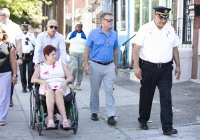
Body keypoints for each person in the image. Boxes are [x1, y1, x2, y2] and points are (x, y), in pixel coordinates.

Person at [132, 6, 181, 135]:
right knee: (147, 95)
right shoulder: (145, 29)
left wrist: (178, 66)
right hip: (148, 67)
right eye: (161, 17)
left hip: (165, 69)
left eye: (166, 18)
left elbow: (175, 48)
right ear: (155, 15)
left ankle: (167, 126)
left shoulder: (170, 30)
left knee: (166, 97)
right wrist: (136, 67)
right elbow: (136, 49)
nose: (163, 21)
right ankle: (143, 120)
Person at [84, 12, 118, 126]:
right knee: (95, 90)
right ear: (102, 21)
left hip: (109, 66)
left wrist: (115, 65)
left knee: (109, 90)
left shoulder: (114, 34)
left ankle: (111, 115)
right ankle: (94, 111)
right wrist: (86, 64)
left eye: (112, 20)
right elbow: (87, 48)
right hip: (95, 65)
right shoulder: (93, 33)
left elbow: (115, 49)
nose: (111, 22)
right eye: (109, 20)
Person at [31, 45, 73, 129]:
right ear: (46, 56)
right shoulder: (40, 66)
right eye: (52, 54)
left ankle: (65, 121)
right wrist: (42, 81)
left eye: (55, 54)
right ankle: (50, 121)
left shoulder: (61, 64)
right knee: (50, 92)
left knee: (58, 92)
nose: (55, 56)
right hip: (47, 87)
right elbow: (33, 79)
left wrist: (65, 81)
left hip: (61, 86)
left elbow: (70, 77)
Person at [0, 8, 23, 107]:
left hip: (11, 53)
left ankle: (9, 97)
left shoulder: (15, 27)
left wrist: (20, 57)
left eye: (0, 15)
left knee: (11, 76)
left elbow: (19, 43)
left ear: (5, 15)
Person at [0, 28, 17, 126]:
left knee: (4, 96)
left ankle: (1, 118)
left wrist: (14, 75)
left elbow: (13, 61)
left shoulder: (9, 45)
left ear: (3, 34)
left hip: (5, 73)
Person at [66, 22, 87, 90]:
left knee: (80, 69)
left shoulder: (85, 35)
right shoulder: (71, 34)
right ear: (75, 27)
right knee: (74, 68)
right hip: (73, 53)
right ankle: (72, 83)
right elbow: (67, 43)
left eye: (80, 26)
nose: (79, 28)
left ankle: (78, 84)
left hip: (82, 54)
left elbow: (87, 46)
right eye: (78, 26)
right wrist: (67, 52)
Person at [19, 21, 35, 93]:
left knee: (30, 71)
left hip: (30, 55)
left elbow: (34, 43)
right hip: (22, 55)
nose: (25, 28)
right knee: (22, 72)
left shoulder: (31, 35)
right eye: (23, 26)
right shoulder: (19, 35)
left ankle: (30, 86)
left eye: (26, 26)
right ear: (21, 27)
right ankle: (24, 87)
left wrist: (30, 38)